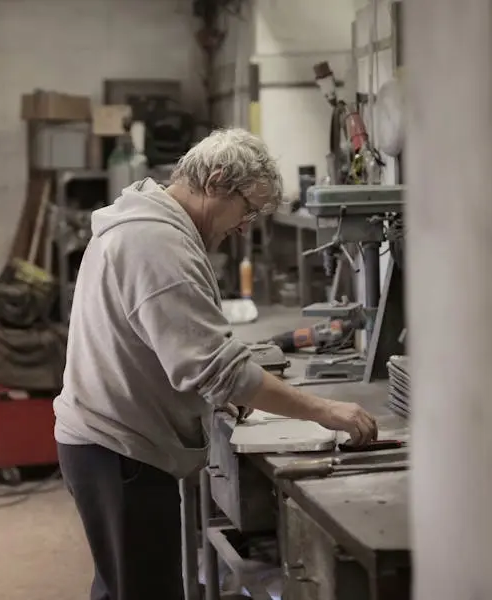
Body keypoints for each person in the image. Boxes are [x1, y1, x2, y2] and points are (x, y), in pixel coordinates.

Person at [54, 128, 378, 600]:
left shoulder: (150, 223)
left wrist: (221, 399)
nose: (246, 226)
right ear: (218, 181)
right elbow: (215, 368)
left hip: (111, 446)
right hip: (119, 453)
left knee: (121, 589)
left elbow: (173, 351)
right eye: (248, 210)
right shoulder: (155, 242)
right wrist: (326, 411)